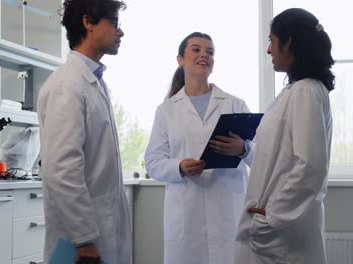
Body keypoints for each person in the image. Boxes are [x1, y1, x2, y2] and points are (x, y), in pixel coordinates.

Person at [234, 8, 335, 264]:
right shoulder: (297, 91)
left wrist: (271, 218)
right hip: (278, 234)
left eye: (271, 40)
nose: (269, 49)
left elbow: (310, 167)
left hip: (282, 237)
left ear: (288, 43)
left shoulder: (306, 92)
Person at [145, 32, 254, 264]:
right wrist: (179, 166)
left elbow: (262, 156)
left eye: (210, 51)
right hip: (186, 217)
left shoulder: (235, 104)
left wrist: (242, 149)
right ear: (180, 59)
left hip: (228, 213)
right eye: (196, 49)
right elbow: (153, 162)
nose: (204, 54)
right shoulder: (166, 110)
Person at [37, 0, 131, 263]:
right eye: (114, 23)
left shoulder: (94, 82)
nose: (120, 32)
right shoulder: (67, 86)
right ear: (88, 23)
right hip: (81, 243)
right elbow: (62, 170)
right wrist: (84, 239)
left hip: (101, 230)